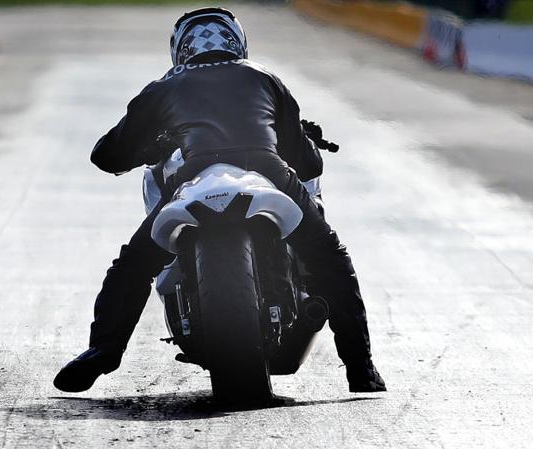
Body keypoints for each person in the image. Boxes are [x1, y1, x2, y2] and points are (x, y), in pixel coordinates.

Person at [54, 7, 386, 395]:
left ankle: (102, 351)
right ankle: (361, 368)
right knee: (330, 257)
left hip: (194, 171)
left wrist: (151, 146)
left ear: (181, 50)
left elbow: (107, 156)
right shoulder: (265, 77)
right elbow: (309, 162)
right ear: (237, 43)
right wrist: (298, 136)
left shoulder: (164, 86)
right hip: (268, 168)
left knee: (133, 264)